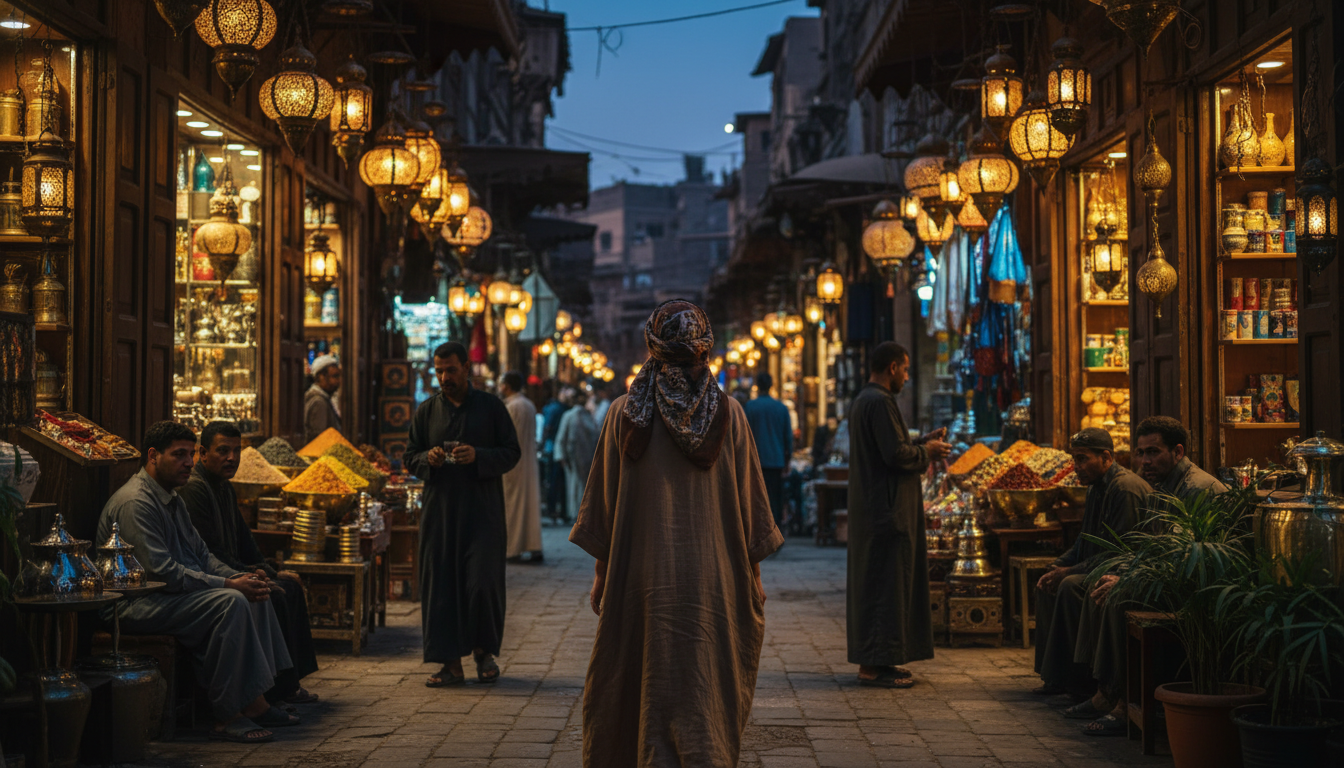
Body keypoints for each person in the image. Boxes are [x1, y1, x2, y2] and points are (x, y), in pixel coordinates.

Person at [570, 300, 783, 767]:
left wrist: (603, 573)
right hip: (716, 579)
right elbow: (752, 509)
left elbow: (602, 507)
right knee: (703, 680)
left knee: (634, 676)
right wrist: (754, 575)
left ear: (653, 347)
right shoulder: (730, 415)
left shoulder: (626, 414)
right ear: (704, 351)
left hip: (639, 579)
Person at [98, 421, 297, 744]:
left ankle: (257, 701)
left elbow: (202, 555)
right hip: (135, 603)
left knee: (252, 591)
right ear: (153, 456)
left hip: (170, 596)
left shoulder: (172, 498)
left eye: (191, 454)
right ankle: (228, 715)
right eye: (179, 455)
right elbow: (161, 572)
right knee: (230, 602)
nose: (189, 463)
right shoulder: (136, 502)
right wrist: (226, 586)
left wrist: (235, 577)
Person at [1072, 417, 1226, 735]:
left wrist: (1128, 579)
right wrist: (1122, 571)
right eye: (1140, 453)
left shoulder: (1197, 488)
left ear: (1178, 451)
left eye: (1153, 452)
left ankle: (1123, 701)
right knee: (1103, 580)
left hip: (1197, 588)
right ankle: (1105, 692)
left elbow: (1184, 559)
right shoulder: (1163, 485)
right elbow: (1154, 547)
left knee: (1118, 596)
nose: (1144, 461)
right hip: (1171, 576)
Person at [405, 342, 521, 687]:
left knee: (481, 583)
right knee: (441, 586)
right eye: (439, 371)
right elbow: (410, 456)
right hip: (440, 513)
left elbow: (511, 452)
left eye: (450, 370)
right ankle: (450, 664)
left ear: (466, 369)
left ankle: (484, 654)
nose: (444, 377)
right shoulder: (426, 412)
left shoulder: (490, 407)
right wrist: (429, 459)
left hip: (482, 513)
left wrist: (480, 456)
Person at [180, 421, 320, 707]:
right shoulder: (196, 489)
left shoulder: (224, 487)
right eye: (223, 451)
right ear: (203, 453)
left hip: (235, 568)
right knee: (274, 595)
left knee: (289, 586)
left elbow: (245, 540)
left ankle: (290, 683)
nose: (232, 458)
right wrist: (248, 574)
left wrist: (270, 569)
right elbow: (211, 553)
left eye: (236, 451)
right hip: (215, 577)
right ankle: (272, 691)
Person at [847, 342, 952, 688]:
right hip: (886, 511)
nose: (907, 377)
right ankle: (873, 666)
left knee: (889, 584)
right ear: (892, 367)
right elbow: (896, 455)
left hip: (880, 507)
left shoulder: (868, 400)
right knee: (884, 585)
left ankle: (885, 659)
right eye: (905, 370)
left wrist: (923, 441)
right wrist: (928, 451)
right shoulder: (879, 401)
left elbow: (892, 446)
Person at [1033, 428, 1151, 700]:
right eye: (1074, 460)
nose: (1077, 467)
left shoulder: (1124, 488)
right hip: (1098, 565)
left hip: (1121, 571)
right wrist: (1058, 566)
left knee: (1070, 584)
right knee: (1048, 581)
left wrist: (1070, 571)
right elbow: (1084, 542)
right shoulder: (1096, 487)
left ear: (1107, 457)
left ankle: (1082, 683)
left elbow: (1120, 552)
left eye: (1083, 459)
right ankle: (1055, 676)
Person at [498, 371, 543, 563]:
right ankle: (534, 546)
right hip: (529, 462)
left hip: (513, 463)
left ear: (507, 386)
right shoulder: (528, 405)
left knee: (513, 507)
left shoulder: (511, 407)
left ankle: (513, 549)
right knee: (530, 505)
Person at [744, 371, 794, 528]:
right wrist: (788, 459)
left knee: (757, 497)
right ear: (771, 386)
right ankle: (776, 527)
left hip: (756, 461)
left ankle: (760, 527)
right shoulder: (781, 408)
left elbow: (745, 436)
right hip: (776, 460)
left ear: (757, 386)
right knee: (776, 496)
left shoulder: (750, 407)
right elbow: (788, 437)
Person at [554, 389, 599, 529]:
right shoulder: (582, 416)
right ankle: (579, 513)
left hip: (580, 457)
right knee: (577, 486)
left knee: (578, 486)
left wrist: (561, 455)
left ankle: (579, 513)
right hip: (579, 457)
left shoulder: (579, 416)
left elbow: (562, 437)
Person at [540, 385, 571, 523]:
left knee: (557, 481)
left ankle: (557, 510)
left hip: (557, 447)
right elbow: (548, 428)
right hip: (554, 448)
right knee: (556, 480)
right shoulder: (557, 409)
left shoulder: (560, 408)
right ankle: (556, 510)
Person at [304, 355, 342, 443]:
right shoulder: (318, 402)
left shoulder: (323, 398)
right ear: (321, 377)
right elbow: (319, 440)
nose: (338, 381)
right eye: (335, 376)